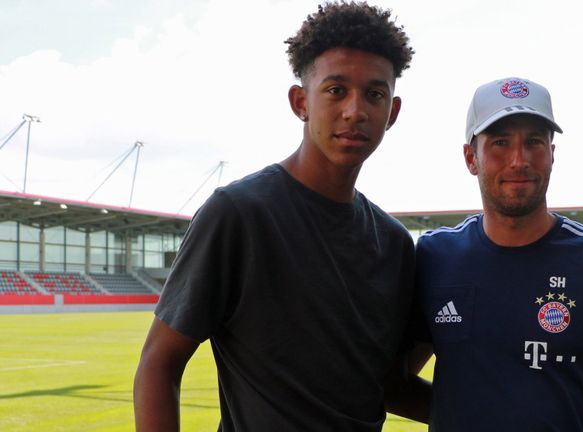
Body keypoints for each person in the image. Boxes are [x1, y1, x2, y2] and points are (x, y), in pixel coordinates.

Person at [133, 2, 419, 430]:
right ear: (300, 102)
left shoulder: (394, 243)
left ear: (392, 112)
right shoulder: (240, 215)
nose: (355, 111)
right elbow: (159, 362)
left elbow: (388, 385)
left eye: (374, 94)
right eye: (336, 90)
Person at [411, 77, 583, 431]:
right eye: (500, 142)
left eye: (533, 142)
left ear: (552, 154)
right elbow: (392, 379)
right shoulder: (435, 256)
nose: (519, 160)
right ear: (471, 157)